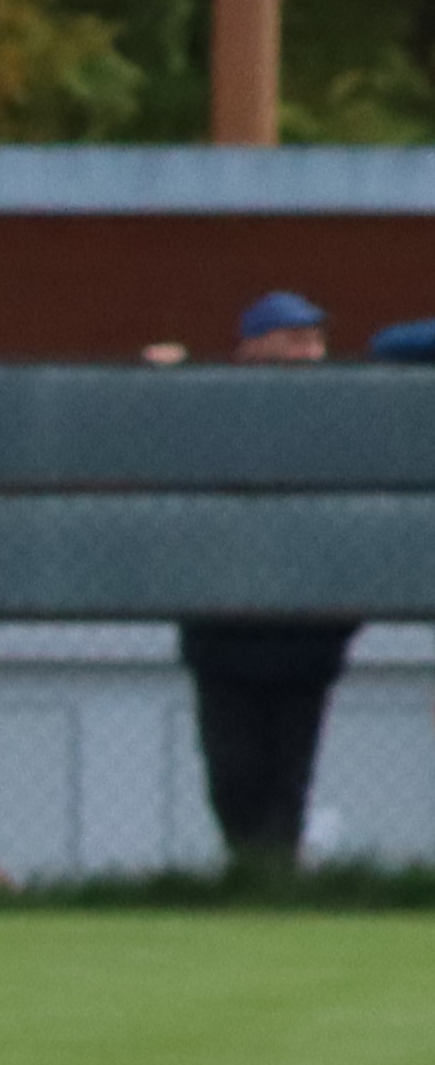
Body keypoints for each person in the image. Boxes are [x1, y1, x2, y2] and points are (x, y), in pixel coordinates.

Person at [179, 291, 355, 876]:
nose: (309, 353)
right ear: (252, 348)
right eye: (294, 339)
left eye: (315, 341)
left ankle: (276, 880)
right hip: (224, 630)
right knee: (233, 770)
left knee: (289, 772)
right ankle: (249, 872)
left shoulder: (339, 421)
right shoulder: (213, 414)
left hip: (306, 634)